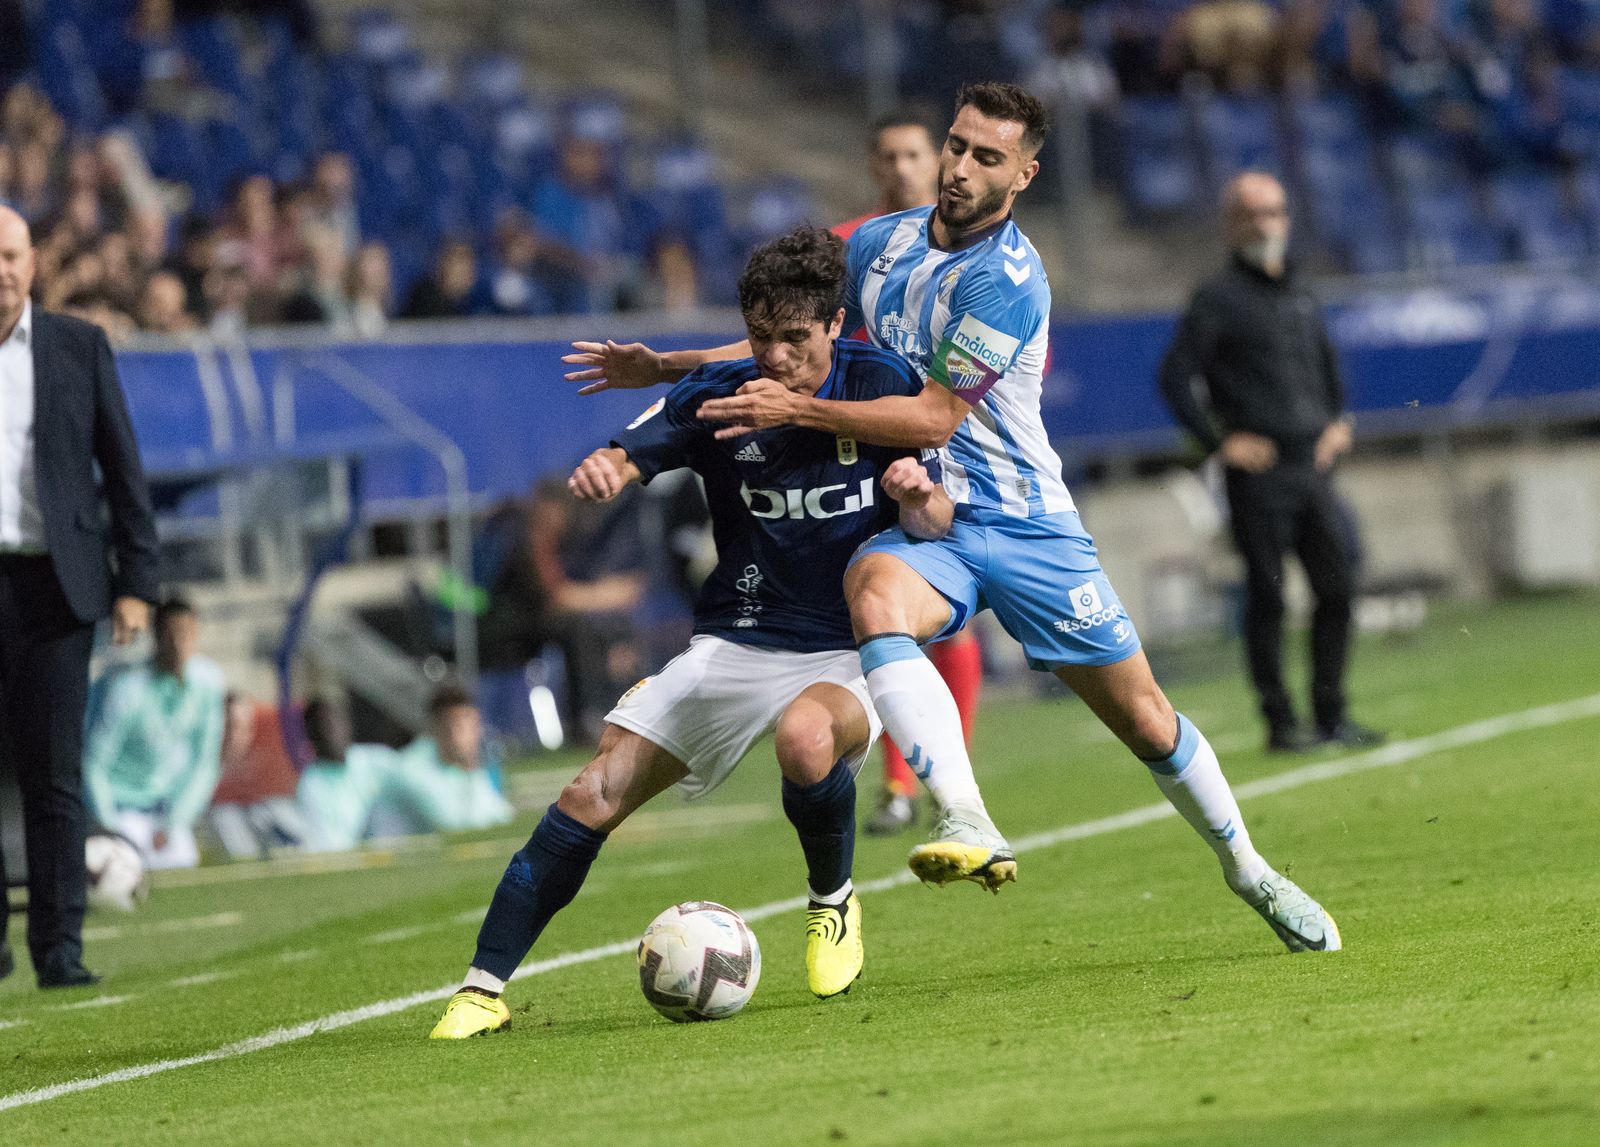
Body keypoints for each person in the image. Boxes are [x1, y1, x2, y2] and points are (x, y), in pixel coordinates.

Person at [564, 83, 1341, 956]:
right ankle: (964, 814)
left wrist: (801, 415)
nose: (961, 168)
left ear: (1025, 174)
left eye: (987, 157)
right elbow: (789, 331)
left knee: (1148, 720)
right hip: (932, 517)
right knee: (872, 586)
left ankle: (1250, 870)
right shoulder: (879, 243)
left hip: (1024, 521)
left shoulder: (1008, 280)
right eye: (957, 147)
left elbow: (936, 418)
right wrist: (668, 365)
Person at [429, 226, 953, 1038]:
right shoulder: (719, 393)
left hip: (851, 644)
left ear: (835, 325)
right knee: (589, 790)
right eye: (759, 337)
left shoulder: (883, 383)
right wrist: (611, 466)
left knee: (806, 741)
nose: (774, 357)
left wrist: (917, 498)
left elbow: (941, 517)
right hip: (735, 640)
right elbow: (635, 447)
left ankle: (832, 902)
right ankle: (481, 987)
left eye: (794, 339)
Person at [1159, 172, 1384, 754]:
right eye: (1253, 213)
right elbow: (1174, 376)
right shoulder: (1217, 298)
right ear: (1232, 225)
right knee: (1270, 596)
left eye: (1275, 211)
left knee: (1337, 589)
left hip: (1313, 470)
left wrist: (1339, 421)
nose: (1266, 223)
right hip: (1258, 477)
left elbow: (1328, 368)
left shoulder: (1303, 291)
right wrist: (1218, 443)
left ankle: (1332, 715)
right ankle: (1282, 724)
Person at [0, 203, 158, 990]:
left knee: (55, 776)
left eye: (10, 254)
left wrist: (138, 585)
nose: (1, 270)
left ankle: (59, 947)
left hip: (56, 588)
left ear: (33, 262)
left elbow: (123, 473)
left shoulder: (77, 346)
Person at [832, 109, 985, 838]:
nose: (901, 167)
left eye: (913, 154)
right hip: (860, 450)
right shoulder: (850, 246)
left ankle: (923, 781)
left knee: (947, 626)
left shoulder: (981, 253)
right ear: (873, 165)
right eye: (887, 155)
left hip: (949, 451)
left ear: (939, 162)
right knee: (879, 619)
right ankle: (904, 780)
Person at [83, 597, 225, 870]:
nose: (178, 644)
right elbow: (94, 762)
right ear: (156, 635)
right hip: (121, 809)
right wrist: (109, 824)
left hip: (166, 811)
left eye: (186, 634)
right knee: (124, 871)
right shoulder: (128, 689)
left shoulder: (207, 683)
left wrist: (175, 819)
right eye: (170, 634)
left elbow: (205, 761)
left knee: (182, 865)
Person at [379, 686, 515, 836]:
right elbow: (456, 824)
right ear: (435, 727)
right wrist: (472, 770)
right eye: (458, 726)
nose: (471, 734)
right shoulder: (413, 769)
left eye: (473, 725)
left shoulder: (460, 766)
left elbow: (501, 815)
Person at [296, 696, 399, 853]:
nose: (332, 732)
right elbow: (329, 847)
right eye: (323, 726)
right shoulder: (311, 785)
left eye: (336, 722)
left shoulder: (376, 759)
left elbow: (413, 781)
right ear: (312, 735)